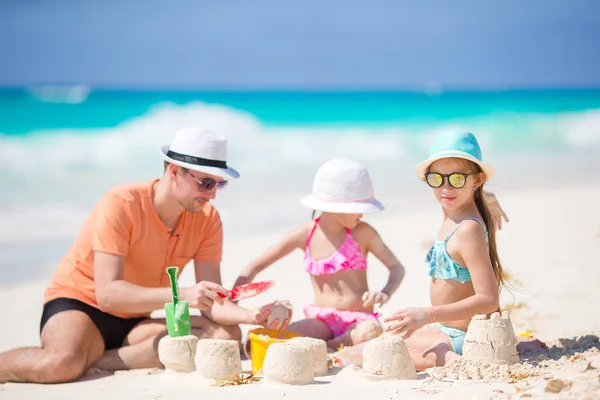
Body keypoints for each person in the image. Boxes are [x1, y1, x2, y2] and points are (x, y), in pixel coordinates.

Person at [0, 127, 280, 384]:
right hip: (81, 304)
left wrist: (254, 315)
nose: (213, 195)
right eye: (206, 183)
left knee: (224, 336)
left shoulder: (207, 219)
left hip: (134, 319)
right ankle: (76, 356)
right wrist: (182, 294)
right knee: (61, 364)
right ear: (174, 172)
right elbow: (108, 294)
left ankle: (95, 358)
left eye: (219, 184)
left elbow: (210, 304)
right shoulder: (122, 203)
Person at [383, 131, 545, 370]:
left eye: (457, 179)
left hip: (462, 337)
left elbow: (489, 300)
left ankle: (450, 358)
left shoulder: (468, 229)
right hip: (447, 328)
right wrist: (486, 196)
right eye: (436, 179)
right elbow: (458, 191)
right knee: (385, 336)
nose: (446, 188)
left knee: (379, 350)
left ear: (476, 180)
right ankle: (506, 344)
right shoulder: (452, 211)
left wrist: (425, 315)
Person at [235, 158, 406, 350]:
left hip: (359, 320)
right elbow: (255, 266)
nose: (363, 215)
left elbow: (396, 267)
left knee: (371, 332)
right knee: (286, 334)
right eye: (359, 209)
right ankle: (329, 346)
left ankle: (325, 347)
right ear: (336, 207)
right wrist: (232, 306)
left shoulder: (363, 233)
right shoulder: (305, 235)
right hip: (321, 319)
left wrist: (385, 292)